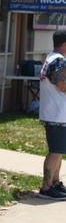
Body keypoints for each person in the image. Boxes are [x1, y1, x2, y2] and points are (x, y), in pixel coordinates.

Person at [37, 30, 66, 200]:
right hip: (57, 115)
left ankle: (55, 183)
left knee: (59, 150)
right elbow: (62, 84)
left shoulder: (52, 58)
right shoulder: (58, 61)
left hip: (56, 114)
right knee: (55, 151)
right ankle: (46, 188)